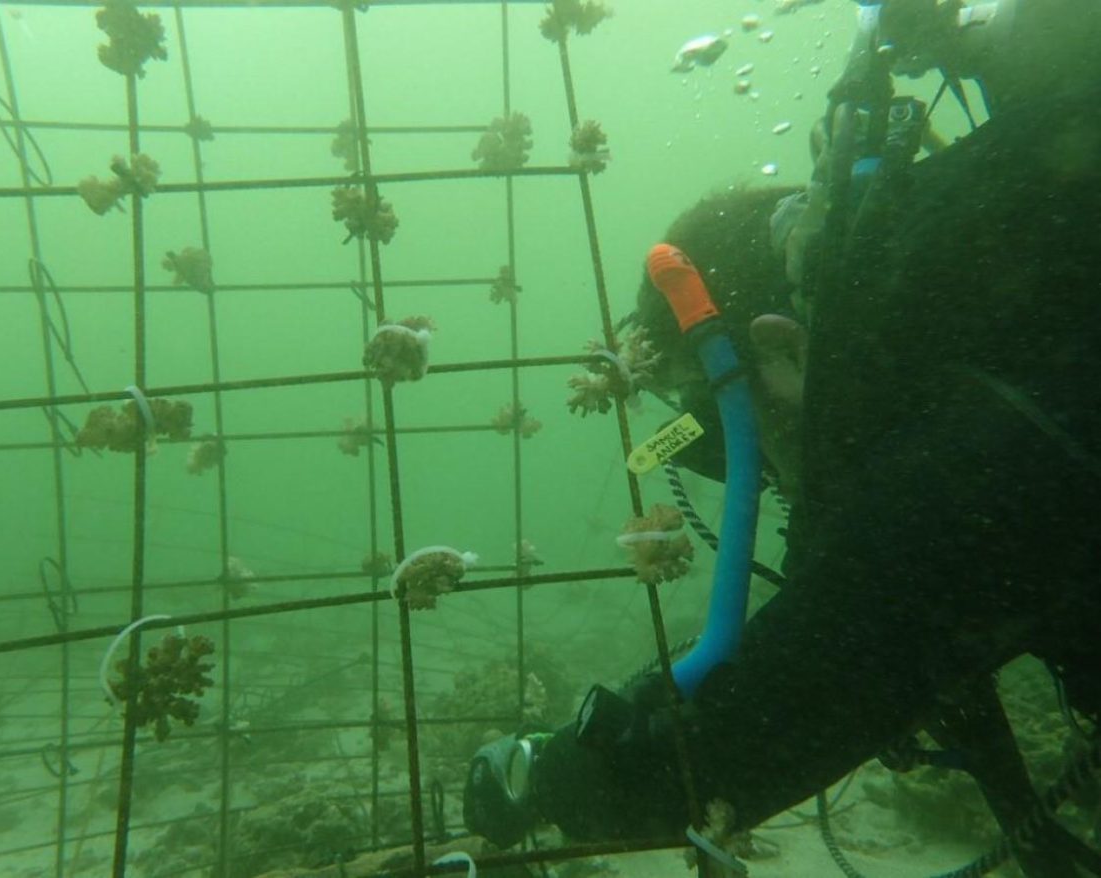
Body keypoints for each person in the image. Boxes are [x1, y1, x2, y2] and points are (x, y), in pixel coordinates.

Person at [462, 0, 1101, 873]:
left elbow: (784, 703)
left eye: (737, 432)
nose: (759, 476)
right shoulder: (1007, 334)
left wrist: (548, 775)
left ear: (774, 342)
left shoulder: (964, 466)